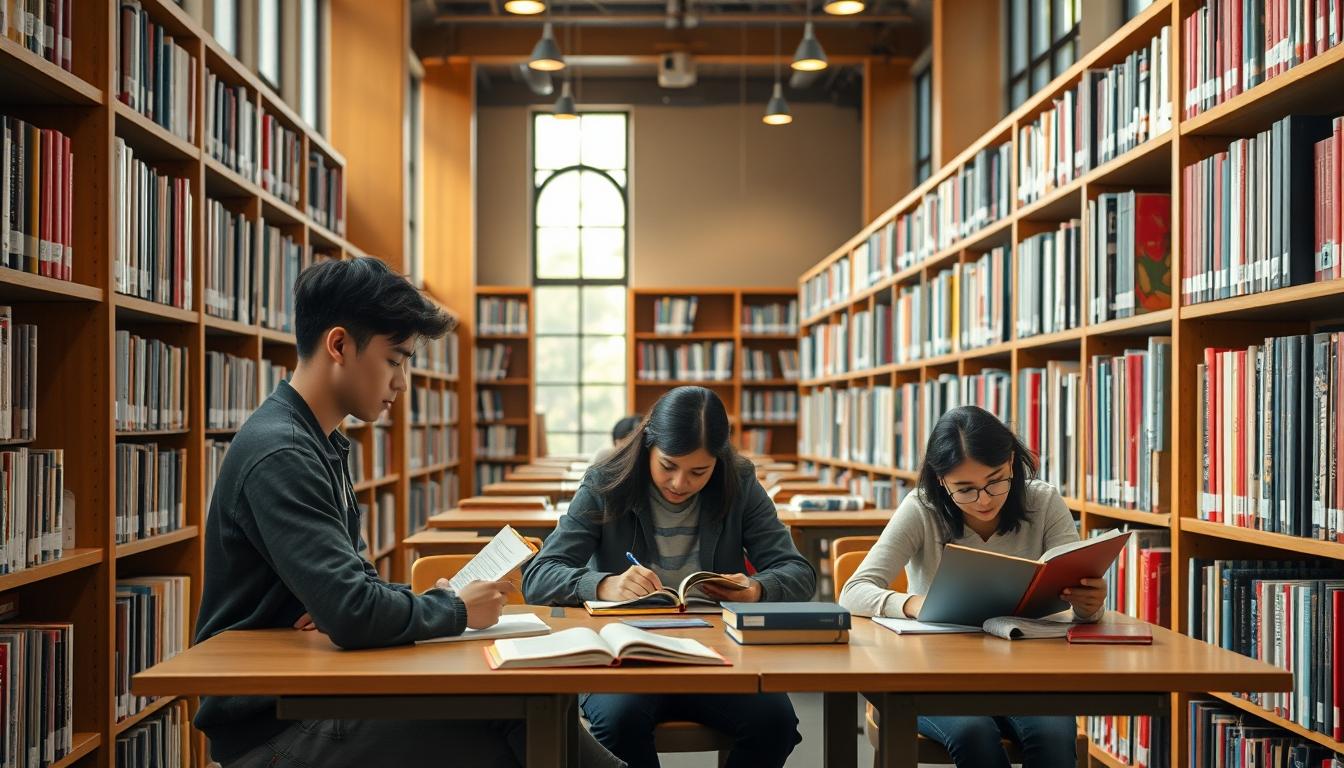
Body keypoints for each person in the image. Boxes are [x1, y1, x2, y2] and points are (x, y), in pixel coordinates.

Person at [193, 257, 621, 768]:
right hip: (278, 727)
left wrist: (371, 606)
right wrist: (455, 610)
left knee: (527, 709)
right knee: (522, 716)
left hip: (320, 689)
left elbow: (351, 596)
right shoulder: (284, 452)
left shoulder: (318, 442)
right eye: (395, 360)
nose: (402, 383)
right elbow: (352, 611)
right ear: (338, 345)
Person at [523, 386, 814, 768]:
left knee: (774, 723)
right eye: (668, 466)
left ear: (719, 461)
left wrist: (757, 587)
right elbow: (539, 574)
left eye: (699, 472)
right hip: (623, 655)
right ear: (648, 445)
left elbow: (799, 573)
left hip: (714, 653)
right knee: (620, 723)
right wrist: (602, 584)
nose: (680, 484)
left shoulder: (739, 481)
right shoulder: (605, 482)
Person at [839, 405, 1104, 768]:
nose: (984, 499)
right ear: (941, 480)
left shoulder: (1041, 501)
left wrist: (1089, 604)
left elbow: (1080, 595)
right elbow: (854, 590)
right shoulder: (922, 508)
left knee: (1054, 738)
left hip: (1026, 674)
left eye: (995, 480)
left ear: (1011, 461)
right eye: (964, 489)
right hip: (938, 676)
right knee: (973, 736)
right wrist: (913, 603)